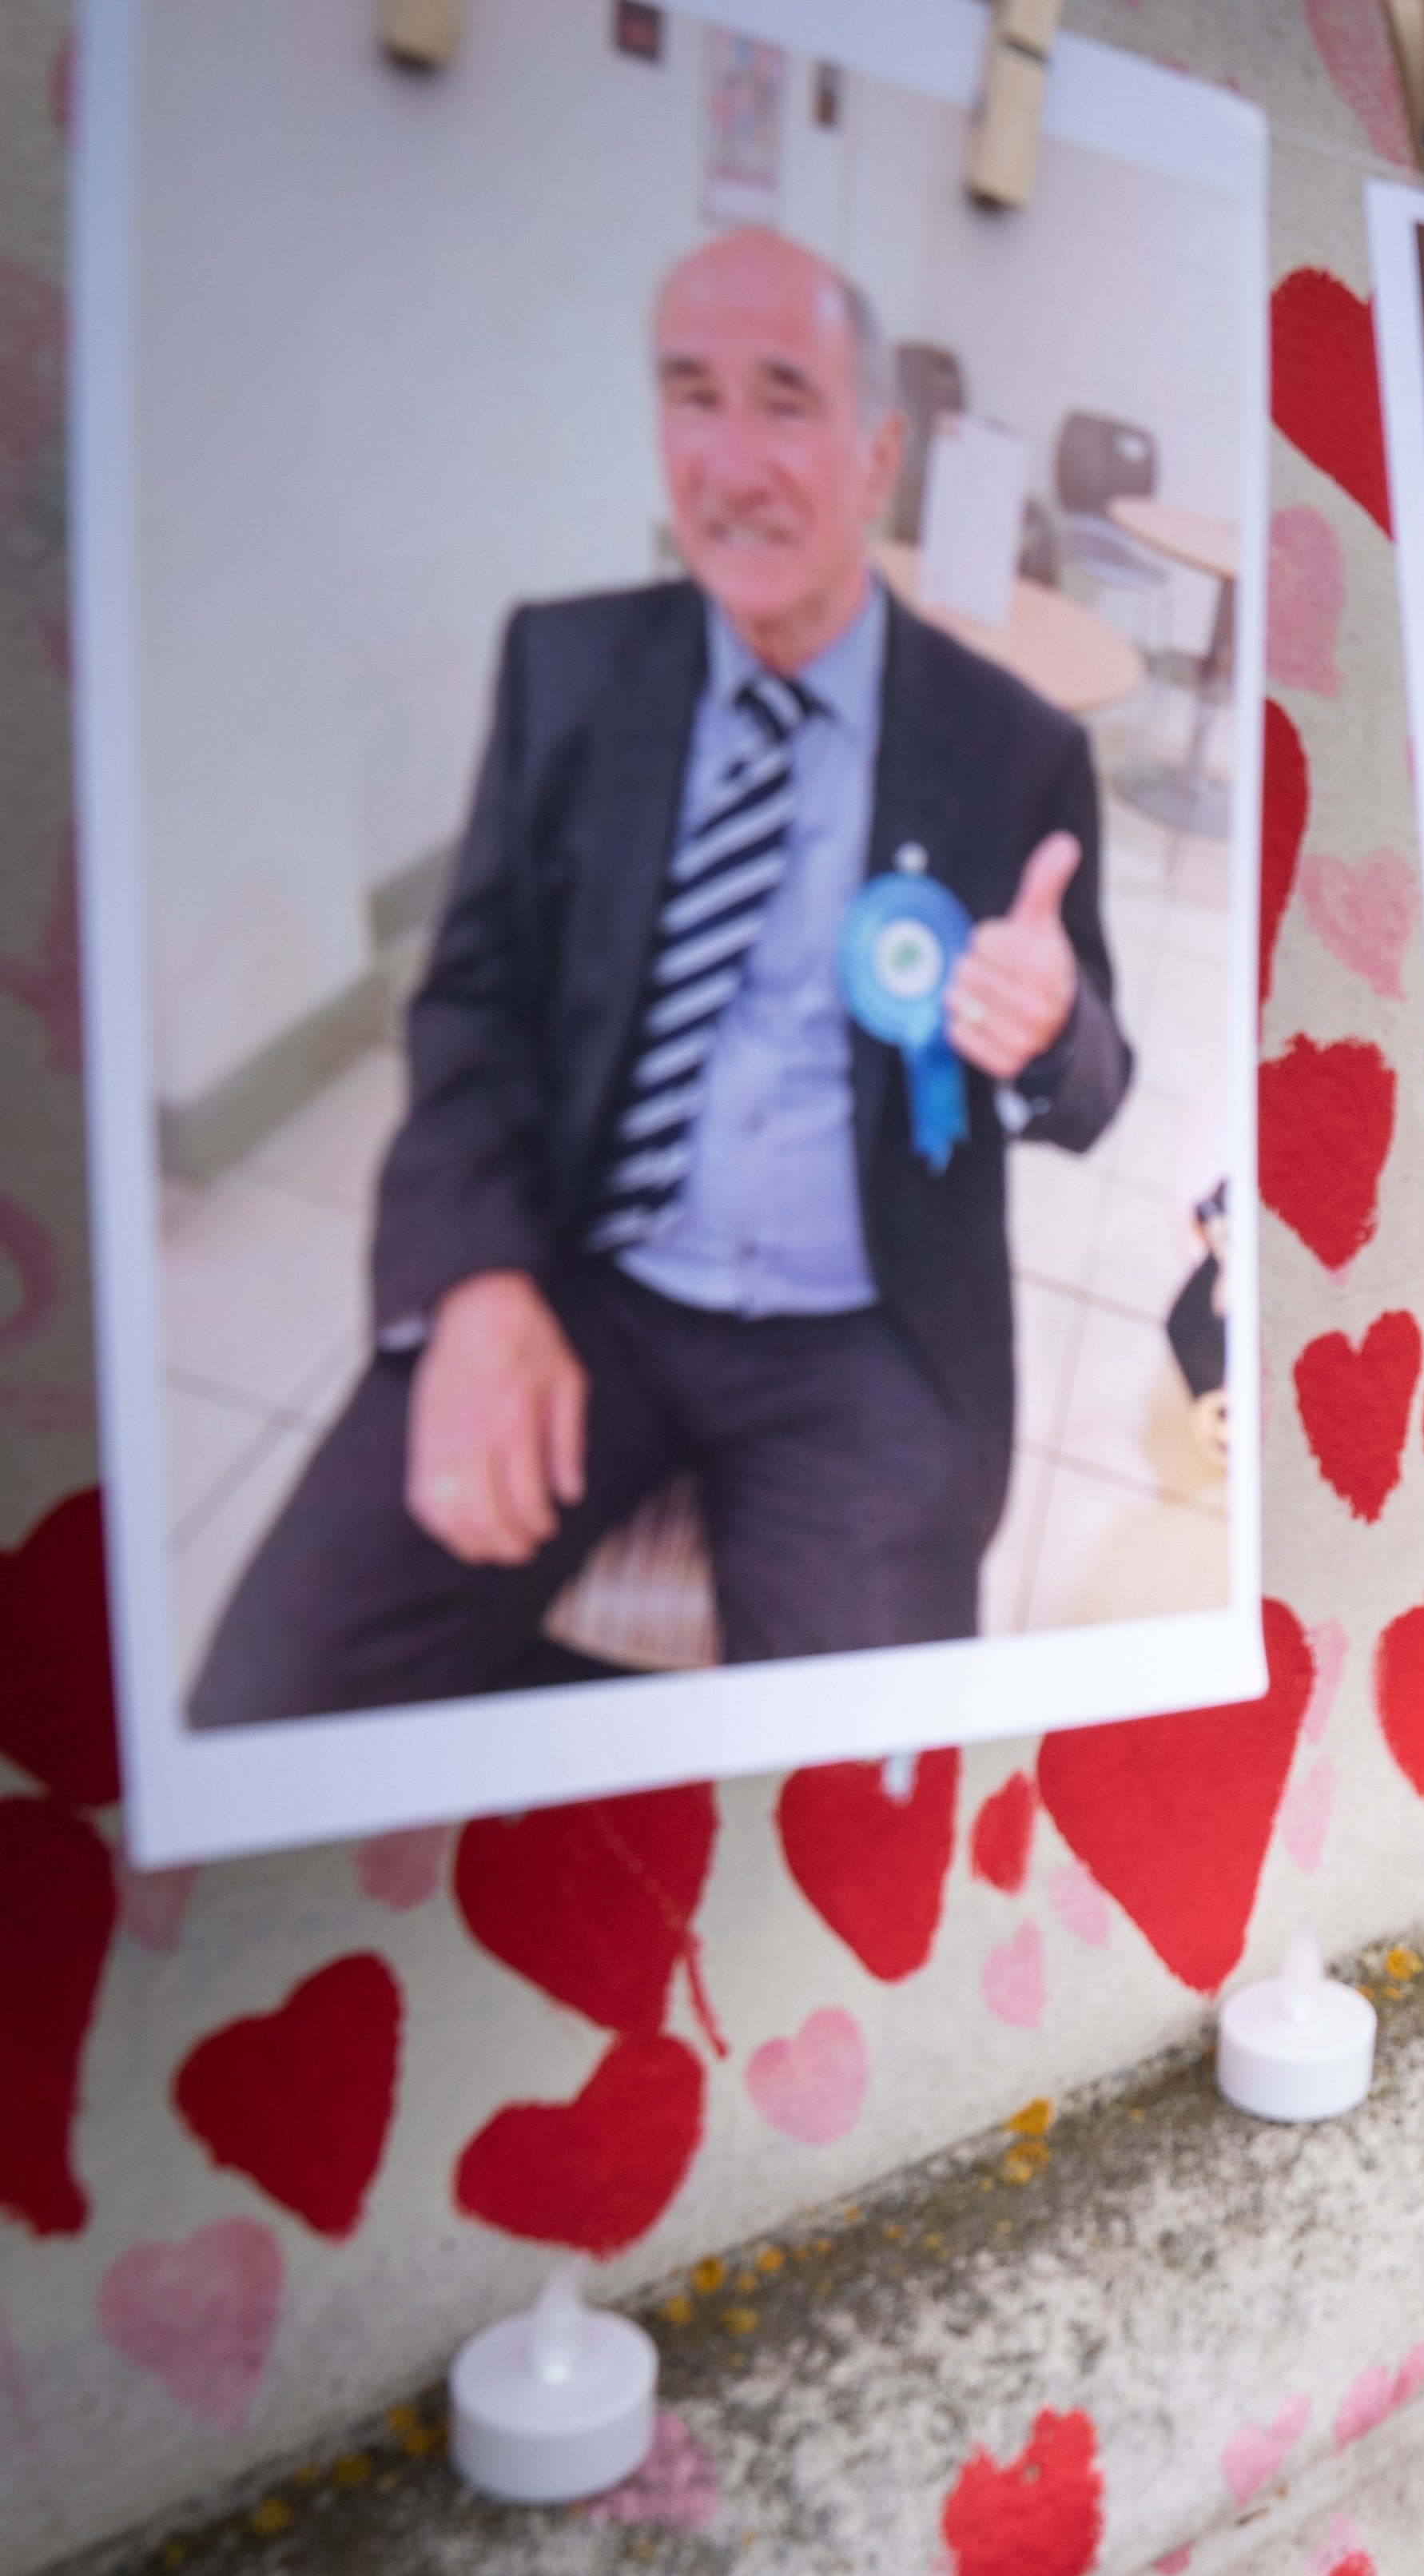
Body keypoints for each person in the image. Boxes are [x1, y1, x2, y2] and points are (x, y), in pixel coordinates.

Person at [190, 229, 1130, 1726]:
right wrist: (480, 1283)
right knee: (267, 1696)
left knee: (865, 1791)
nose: (732, 457)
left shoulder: (1012, 751)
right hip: (584, 1286)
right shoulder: (568, 673)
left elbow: (1095, 1089)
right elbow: (471, 1005)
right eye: (692, 396)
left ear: (878, 450)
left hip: (861, 1334)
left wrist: (1049, 1027)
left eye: (785, 400)